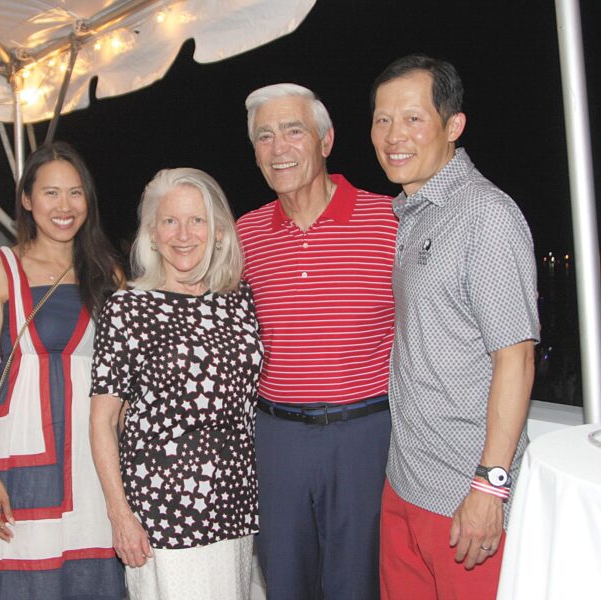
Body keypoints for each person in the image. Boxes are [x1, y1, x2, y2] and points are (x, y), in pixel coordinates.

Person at [370, 54, 539, 600]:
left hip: (463, 499)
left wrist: (490, 486)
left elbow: (514, 357)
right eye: (382, 119)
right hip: (403, 482)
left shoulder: (485, 215)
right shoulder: (412, 213)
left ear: (453, 125)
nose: (394, 135)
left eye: (413, 118)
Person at [236, 84, 397, 599]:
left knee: (359, 586)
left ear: (326, 141)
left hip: (364, 436)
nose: (278, 147)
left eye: (293, 131)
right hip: (275, 438)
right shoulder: (244, 235)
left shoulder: (391, 219)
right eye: (265, 136)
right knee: (283, 582)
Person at [0, 141, 125, 599]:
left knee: (89, 576)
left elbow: (123, 378)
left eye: (75, 193)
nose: (64, 206)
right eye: (50, 193)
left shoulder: (108, 274)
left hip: (91, 460)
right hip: (20, 457)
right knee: (19, 578)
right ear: (28, 200)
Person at [91, 168, 263, 599]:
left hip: (234, 506)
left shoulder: (239, 301)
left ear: (220, 232)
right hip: (163, 515)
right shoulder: (127, 309)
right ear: (152, 233)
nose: (183, 234)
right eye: (169, 221)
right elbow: (102, 422)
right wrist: (120, 515)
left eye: (197, 220)